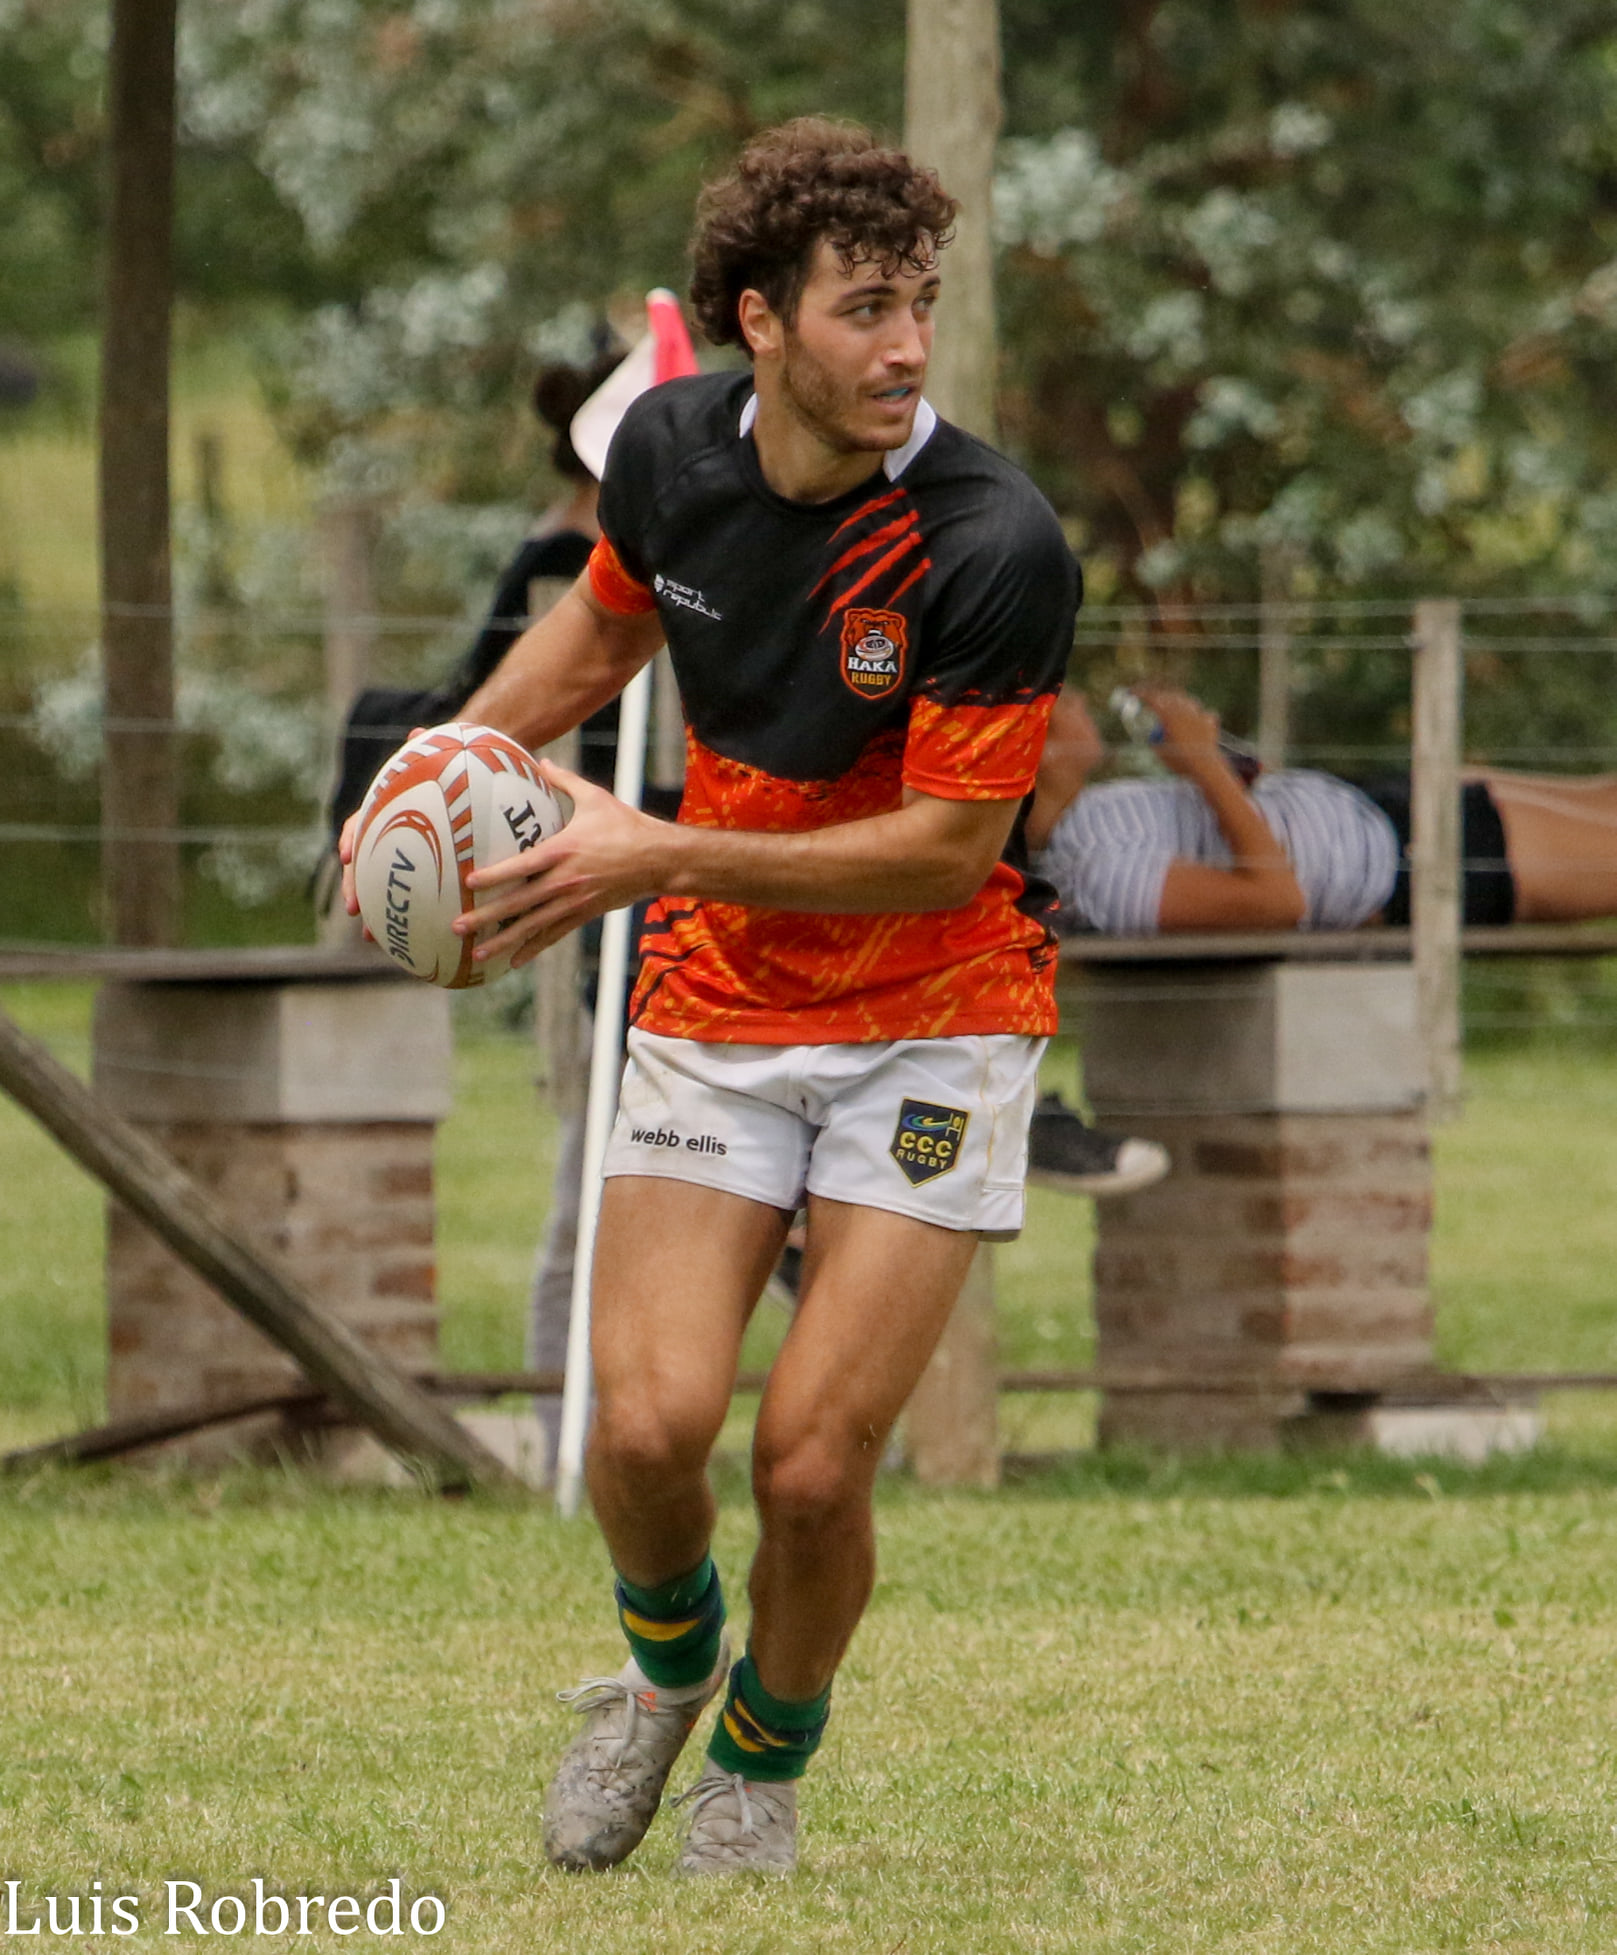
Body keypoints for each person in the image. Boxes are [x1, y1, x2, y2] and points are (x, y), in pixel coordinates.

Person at [344, 117, 1078, 1876]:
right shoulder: (669, 452)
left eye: (919, 306)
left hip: (936, 1004)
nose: (905, 347)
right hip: (719, 996)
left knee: (813, 1466)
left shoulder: (992, 542)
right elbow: (601, 636)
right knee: (654, 1426)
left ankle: (760, 1762)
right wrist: (447, 768)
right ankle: (663, 1677)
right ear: (758, 321)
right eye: (863, 309)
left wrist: (650, 853)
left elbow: (936, 855)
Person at [1032, 684, 1617, 936]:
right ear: (1036, 752)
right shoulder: (1094, 873)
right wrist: (1200, 763)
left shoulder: (1088, 817)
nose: (1073, 695)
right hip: (1405, 865)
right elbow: (1276, 900)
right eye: (1054, 700)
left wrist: (1223, 769)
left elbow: (1235, 829)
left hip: (1370, 809)